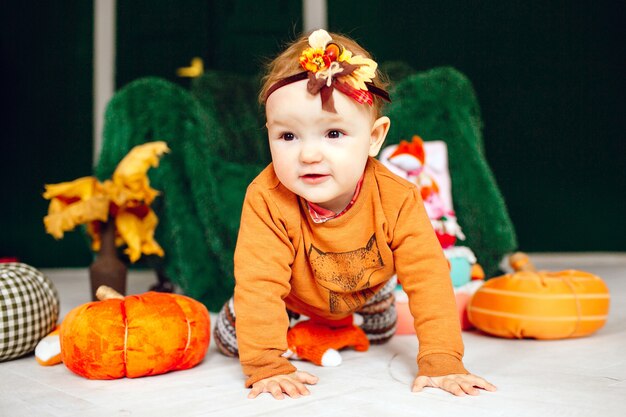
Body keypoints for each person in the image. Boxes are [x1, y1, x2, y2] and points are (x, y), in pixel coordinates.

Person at [214, 29, 496, 400]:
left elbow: (428, 278)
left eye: (333, 133)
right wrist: (266, 364)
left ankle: (345, 325)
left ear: (375, 138)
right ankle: (303, 332)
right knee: (232, 334)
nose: (309, 155)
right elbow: (260, 283)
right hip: (292, 299)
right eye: (288, 137)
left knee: (382, 331)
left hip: (365, 292)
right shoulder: (267, 198)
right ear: (268, 134)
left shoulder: (398, 197)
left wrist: (441, 358)